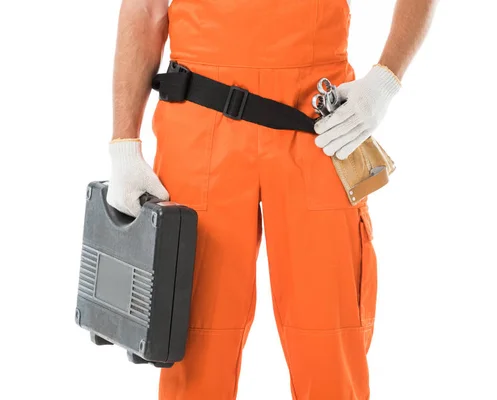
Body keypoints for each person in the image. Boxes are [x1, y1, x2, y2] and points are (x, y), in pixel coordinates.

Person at [106, 0, 437, 398]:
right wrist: (124, 145)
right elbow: (145, 9)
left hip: (319, 125)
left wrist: (385, 82)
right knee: (193, 342)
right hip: (200, 125)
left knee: (329, 338)